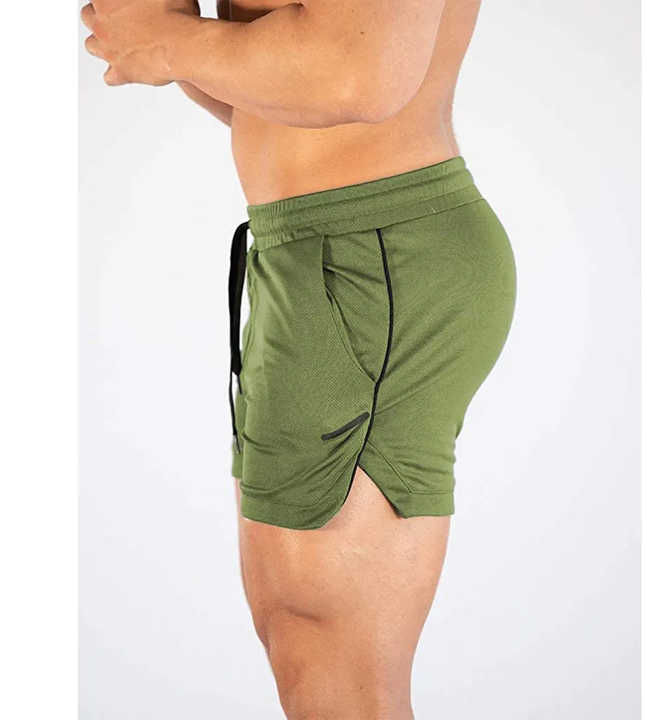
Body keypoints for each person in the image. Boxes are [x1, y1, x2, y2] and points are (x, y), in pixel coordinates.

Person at [82, 1, 516, 717]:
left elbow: (360, 73)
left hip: (369, 257)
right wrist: (170, 37)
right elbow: (291, 95)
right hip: (330, 255)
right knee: (302, 635)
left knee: (328, 655)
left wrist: (173, 41)